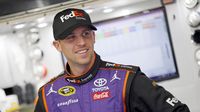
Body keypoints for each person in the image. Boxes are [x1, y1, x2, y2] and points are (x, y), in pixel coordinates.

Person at [34, 8, 190, 112]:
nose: (81, 42)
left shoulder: (127, 79)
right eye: (71, 37)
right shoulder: (48, 95)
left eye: (86, 34)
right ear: (57, 45)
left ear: (93, 36)